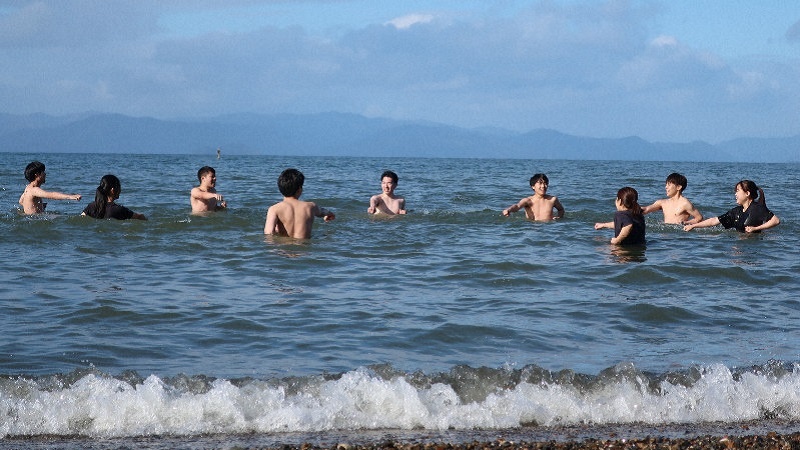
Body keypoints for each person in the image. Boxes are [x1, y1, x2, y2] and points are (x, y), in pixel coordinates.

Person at [683, 180, 779, 233]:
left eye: (737, 191)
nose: (735, 194)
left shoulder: (757, 208)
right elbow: (714, 221)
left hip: (754, 248)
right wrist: (694, 226)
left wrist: (755, 229)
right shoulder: (736, 211)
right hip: (741, 243)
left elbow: (775, 221)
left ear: (747, 193)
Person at [264, 168, 335, 239]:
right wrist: (329, 214)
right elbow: (323, 211)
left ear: (280, 188)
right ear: (300, 189)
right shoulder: (310, 206)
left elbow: (269, 233)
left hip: (284, 248)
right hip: (304, 248)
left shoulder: (274, 209)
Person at [82, 174, 147, 220]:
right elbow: (140, 217)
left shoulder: (90, 206)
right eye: (119, 187)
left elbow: (81, 217)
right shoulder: (119, 210)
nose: (120, 189)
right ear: (112, 190)